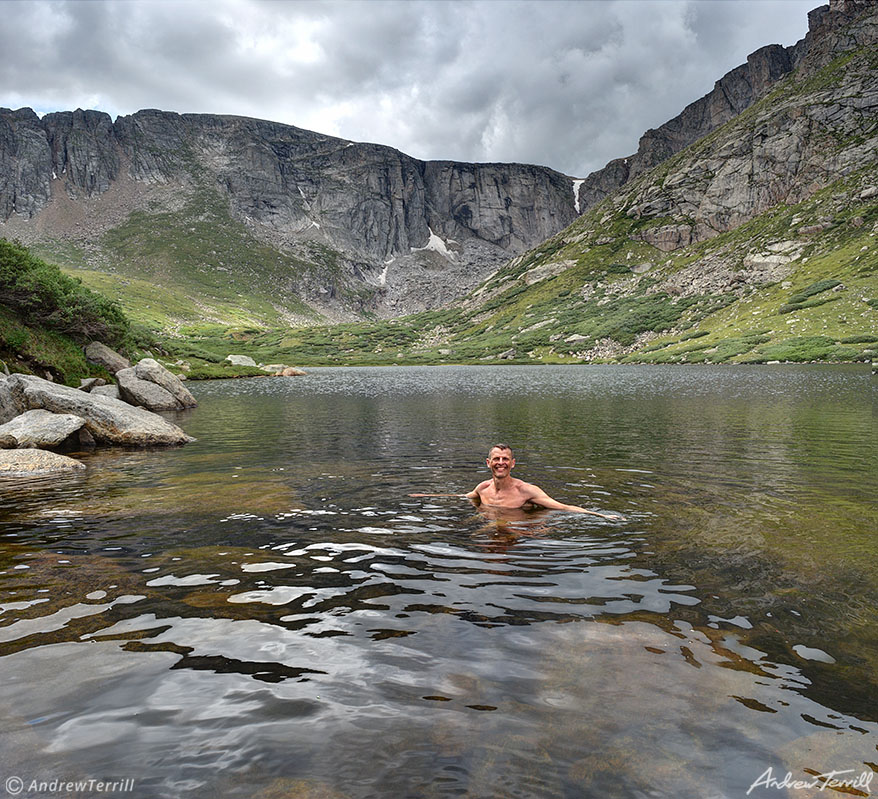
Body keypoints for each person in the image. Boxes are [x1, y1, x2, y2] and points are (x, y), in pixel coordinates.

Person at [465, 444, 624, 520]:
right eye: (496, 459)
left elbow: (563, 507)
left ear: (512, 463)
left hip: (518, 530)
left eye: (505, 459)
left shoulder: (526, 490)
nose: (501, 463)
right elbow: (465, 496)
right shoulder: (483, 488)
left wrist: (601, 515)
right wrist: (439, 496)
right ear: (488, 462)